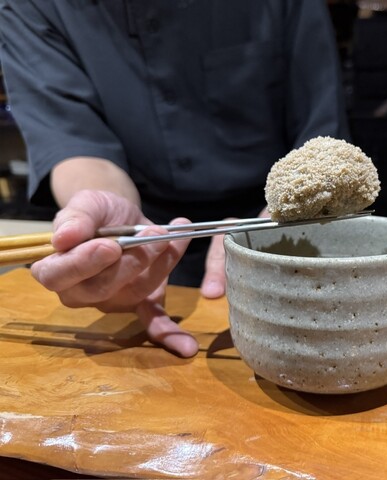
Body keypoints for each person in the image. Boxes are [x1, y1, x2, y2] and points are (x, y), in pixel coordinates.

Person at [0, 1, 350, 358]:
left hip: (278, 229)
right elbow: (73, 142)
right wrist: (103, 223)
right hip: (146, 242)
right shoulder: (33, 6)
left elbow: (323, 144)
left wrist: (281, 228)